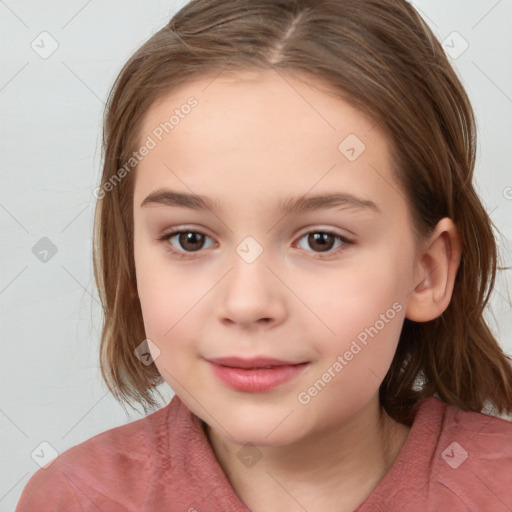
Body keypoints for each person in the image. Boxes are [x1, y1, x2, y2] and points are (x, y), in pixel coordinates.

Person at [16, 0, 512, 510]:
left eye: (322, 240)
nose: (248, 303)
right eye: (190, 239)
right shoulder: (76, 498)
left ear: (426, 273)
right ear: (131, 260)